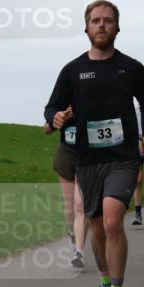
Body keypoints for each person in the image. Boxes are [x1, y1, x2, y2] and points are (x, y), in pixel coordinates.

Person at [45, 0, 144, 287]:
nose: (102, 25)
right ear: (86, 28)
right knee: (97, 228)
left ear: (117, 27)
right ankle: (105, 284)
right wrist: (56, 116)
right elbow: (52, 105)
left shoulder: (131, 68)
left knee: (111, 221)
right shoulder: (72, 70)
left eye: (108, 20)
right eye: (95, 20)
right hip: (88, 160)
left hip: (123, 157)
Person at [45, 115, 89, 269]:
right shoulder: (63, 105)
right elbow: (46, 130)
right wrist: (62, 117)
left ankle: (79, 252)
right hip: (66, 156)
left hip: (86, 158)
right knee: (70, 208)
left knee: (80, 205)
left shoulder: (90, 103)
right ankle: (72, 232)